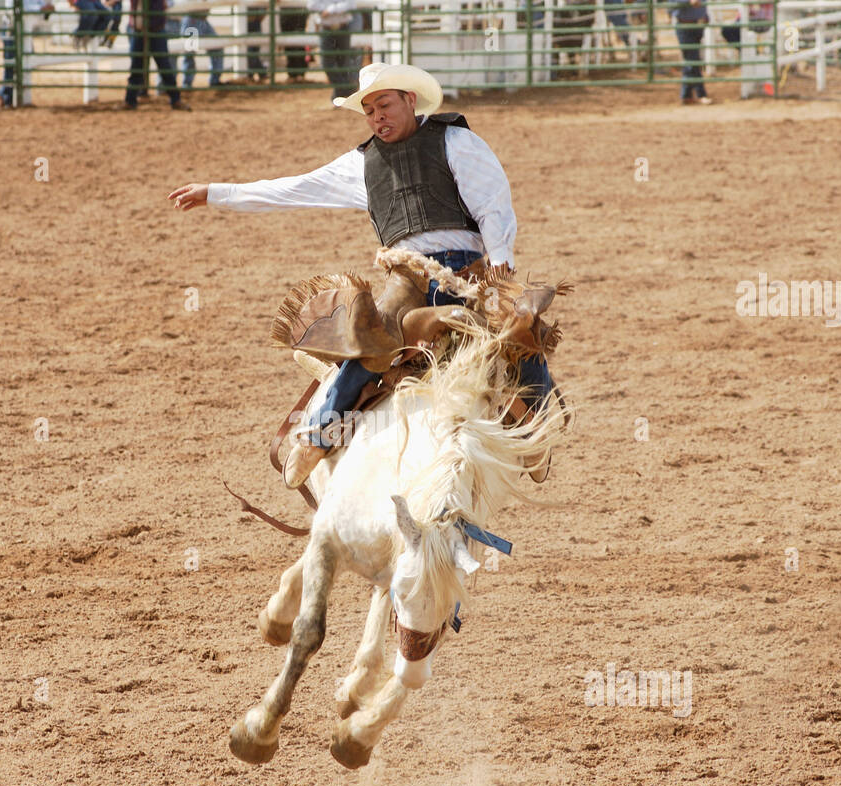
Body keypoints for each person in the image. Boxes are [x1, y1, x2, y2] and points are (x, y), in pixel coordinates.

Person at [167, 62, 558, 488]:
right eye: (369, 110)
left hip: (472, 275)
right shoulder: (362, 163)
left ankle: (534, 430)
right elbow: (294, 189)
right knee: (370, 336)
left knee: (522, 330)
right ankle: (318, 438)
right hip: (408, 278)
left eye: (384, 105)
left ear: (410, 100)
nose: (377, 117)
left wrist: (500, 254)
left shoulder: (457, 140)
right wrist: (219, 193)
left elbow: (492, 201)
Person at [125, 0, 187, 109]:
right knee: (137, 66)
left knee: (163, 65)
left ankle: (175, 99)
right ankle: (130, 100)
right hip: (140, 30)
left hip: (154, 30)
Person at [0, 0, 55, 108]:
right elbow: (15, 7)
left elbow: (38, 4)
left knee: (24, 61)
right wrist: (41, 8)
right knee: (12, 62)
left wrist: (46, 7)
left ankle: (7, 94)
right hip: (12, 27)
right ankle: (6, 96)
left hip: (23, 28)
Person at [308, 0, 360, 101]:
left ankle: (339, 96)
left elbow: (351, 4)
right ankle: (347, 89)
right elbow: (311, 5)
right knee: (327, 63)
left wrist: (330, 10)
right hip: (327, 28)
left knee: (343, 62)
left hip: (341, 27)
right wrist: (334, 8)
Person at [674, 0, 711, 104]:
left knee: (690, 60)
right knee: (693, 59)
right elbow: (673, 4)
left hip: (698, 25)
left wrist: (705, 16)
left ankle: (686, 95)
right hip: (685, 25)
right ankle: (701, 94)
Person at [179, 11, 222, 88]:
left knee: (217, 47)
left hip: (203, 20)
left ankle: (214, 81)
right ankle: (187, 84)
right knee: (189, 54)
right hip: (192, 20)